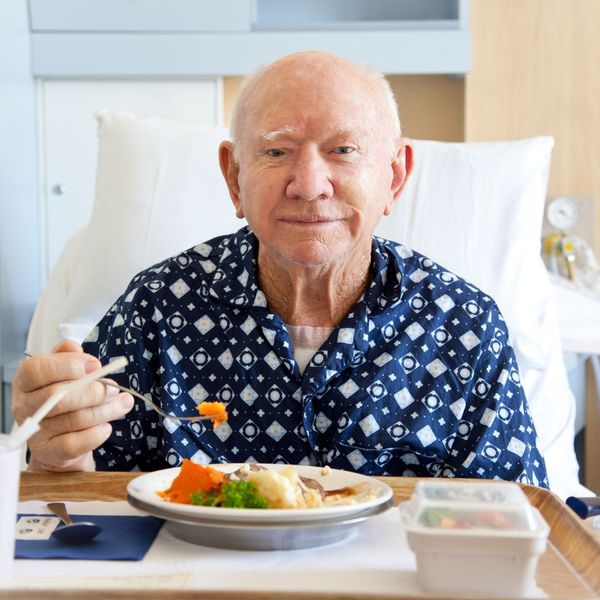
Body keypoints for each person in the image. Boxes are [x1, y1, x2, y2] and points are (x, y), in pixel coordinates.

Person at [12, 51, 548, 487]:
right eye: (276, 152)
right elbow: (82, 503)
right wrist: (56, 455)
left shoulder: (463, 326)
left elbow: (518, 521)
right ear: (233, 177)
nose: (310, 183)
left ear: (395, 177)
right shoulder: (157, 308)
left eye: (343, 149)